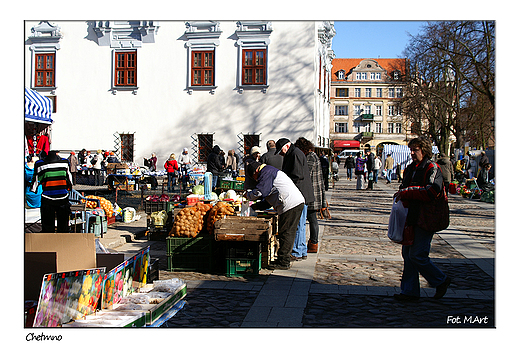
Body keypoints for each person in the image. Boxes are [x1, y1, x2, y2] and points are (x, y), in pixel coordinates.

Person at [393, 136, 451, 301]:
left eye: (415, 150)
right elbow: (404, 186)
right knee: (408, 254)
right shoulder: (411, 168)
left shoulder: (432, 168)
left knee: (418, 255)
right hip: (411, 216)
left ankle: (440, 280)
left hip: (426, 218)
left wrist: (408, 191)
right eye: (410, 150)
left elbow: (433, 191)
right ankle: (409, 292)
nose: (411, 153)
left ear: (424, 150)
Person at [245, 161, 304, 270]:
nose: (255, 179)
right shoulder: (269, 172)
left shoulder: (266, 172)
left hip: (291, 204)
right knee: (285, 231)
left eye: (254, 177)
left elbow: (260, 192)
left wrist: (248, 195)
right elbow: (269, 197)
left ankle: (284, 261)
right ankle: (283, 258)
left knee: (286, 232)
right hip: (291, 203)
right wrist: (256, 206)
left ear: (256, 171)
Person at [275, 138, 314, 261]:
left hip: (299, 194)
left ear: (286, 146)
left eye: (281, 151)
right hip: (301, 194)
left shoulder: (295, 154)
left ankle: (297, 251)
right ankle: (300, 250)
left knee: (297, 224)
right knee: (300, 224)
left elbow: (297, 175)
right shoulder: (294, 153)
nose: (281, 154)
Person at [294, 137, 326, 254]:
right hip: (313, 191)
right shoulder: (312, 156)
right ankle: (312, 243)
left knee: (312, 219)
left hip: (311, 192)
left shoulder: (310, 157)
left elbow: (305, 173)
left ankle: (313, 243)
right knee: (312, 219)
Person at [30, 150, 73, 234]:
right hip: (62, 197)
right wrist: (69, 187)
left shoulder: (40, 164)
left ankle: (49, 245)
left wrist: (33, 189)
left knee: (48, 228)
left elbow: (35, 181)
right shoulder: (64, 162)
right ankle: (61, 244)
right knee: (63, 227)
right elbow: (69, 179)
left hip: (47, 198)